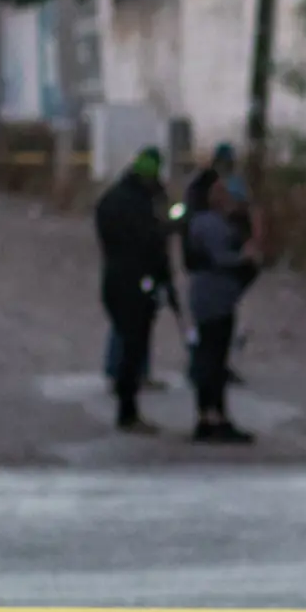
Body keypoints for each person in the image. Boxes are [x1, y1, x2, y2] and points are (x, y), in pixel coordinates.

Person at [95, 147, 173, 433]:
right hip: (137, 280)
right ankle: (127, 409)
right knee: (133, 343)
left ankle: (126, 396)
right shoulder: (142, 205)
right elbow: (154, 244)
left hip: (115, 278)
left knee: (128, 338)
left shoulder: (111, 199)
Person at [185, 174, 262, 444]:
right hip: (216, 297)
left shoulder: (200, 222)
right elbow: (222, 258)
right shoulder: (213, 225)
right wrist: (245, 257)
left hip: (209, 296)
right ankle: (216, 417)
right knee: (214, 360)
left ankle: (207, 416)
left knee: (209, 356)